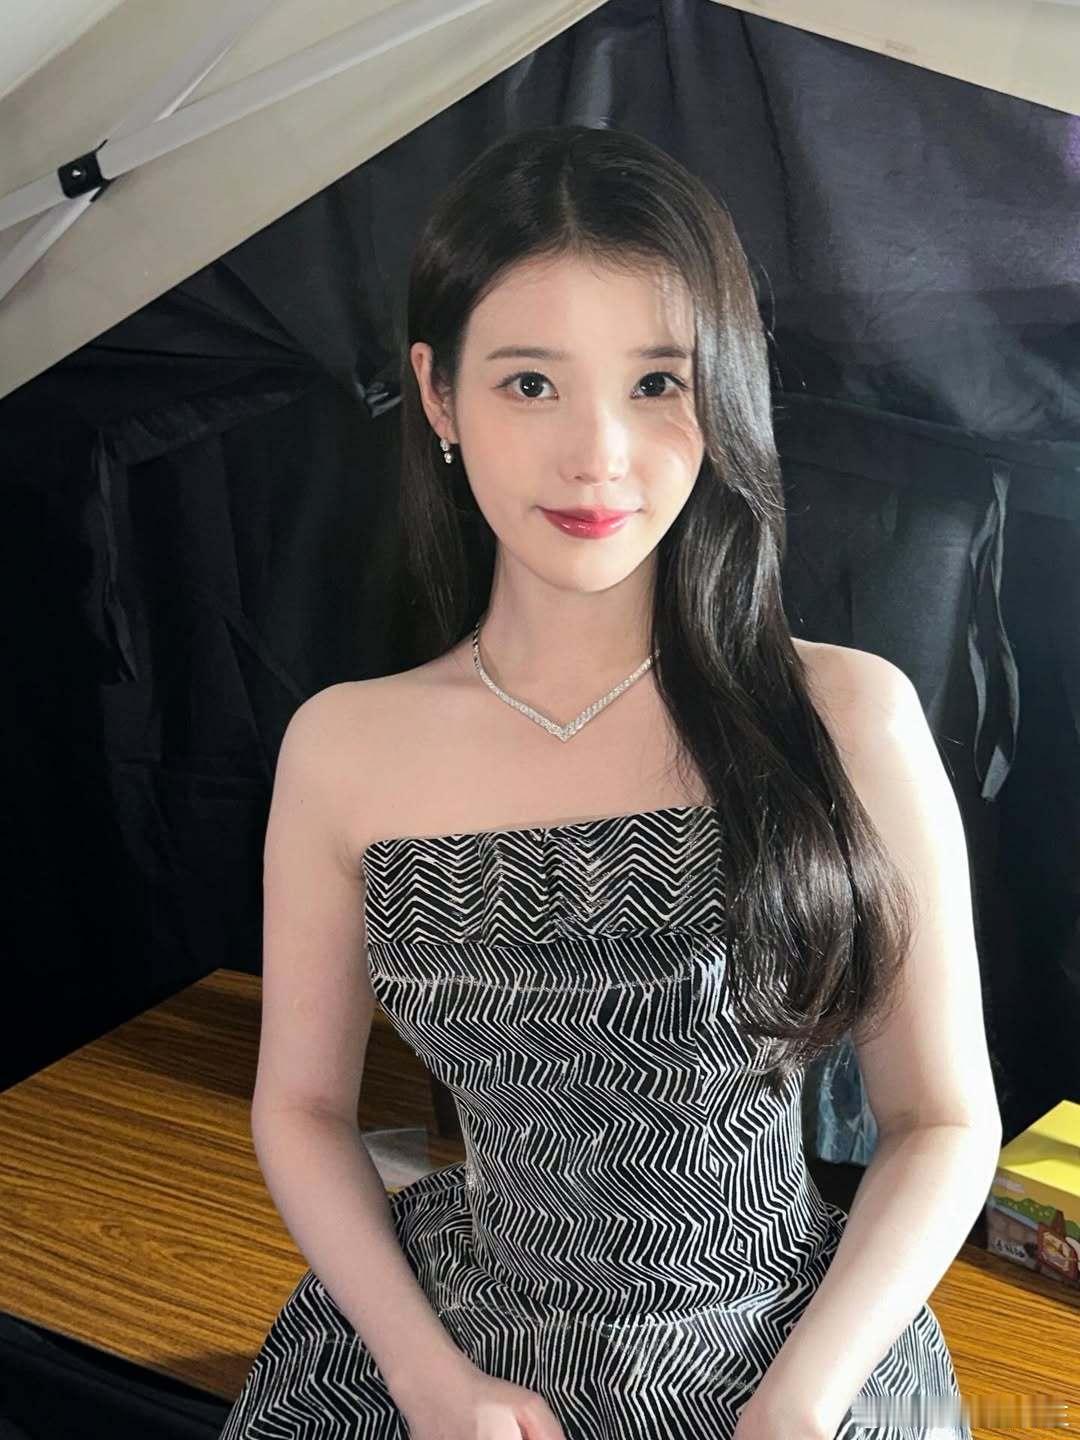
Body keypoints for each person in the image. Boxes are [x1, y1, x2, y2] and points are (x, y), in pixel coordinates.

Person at [219, 124, 1000, 1440]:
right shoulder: (344, 747)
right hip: (455, 1352)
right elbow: (299, 1108)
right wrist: (425, 1377)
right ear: (437, 395)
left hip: (797, 1349)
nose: (598, 454)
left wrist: (805, 1401)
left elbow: (942, 1118)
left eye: (656, 383)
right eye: (531, 383)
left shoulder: (847, 717)